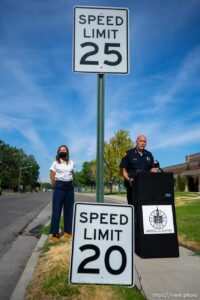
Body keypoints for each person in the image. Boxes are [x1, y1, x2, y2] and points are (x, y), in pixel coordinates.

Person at [119, 135, 157, 205]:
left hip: (146, 186)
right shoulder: (128, 154)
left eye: (144, 142)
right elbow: (122, 171)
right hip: (132, 187)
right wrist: (130, 180)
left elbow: (152, 168)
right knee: (134, 207)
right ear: (136, 142)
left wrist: (153, 170)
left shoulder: (149, 154)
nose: (143, 143)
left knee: (145, 207)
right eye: (141, 141)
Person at [50, 145, 75, 242]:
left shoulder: (72, 163)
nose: (62, 151)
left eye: (64, 150)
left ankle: (68, 231)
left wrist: (70, 183)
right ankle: (54, 233)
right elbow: (52, 175)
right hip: (59, 186)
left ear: (67, 152)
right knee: (56, 210)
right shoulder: (55, 163)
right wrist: (55, 186)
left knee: (69, 210)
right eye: (60, 150)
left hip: (69, 187)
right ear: (58, 152)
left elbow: (72, 174)